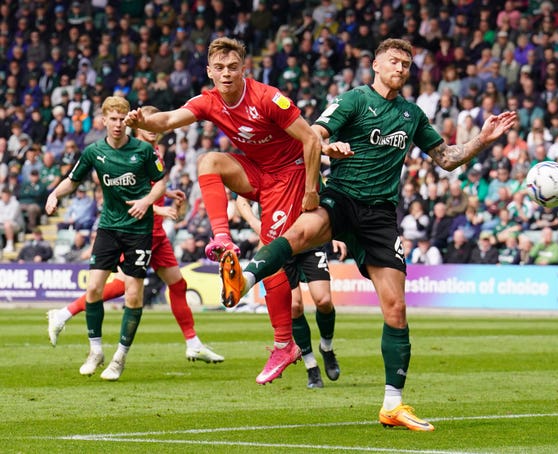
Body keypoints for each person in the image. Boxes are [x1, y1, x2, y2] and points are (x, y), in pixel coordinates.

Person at [219, 39, 516, 431]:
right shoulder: (354, 100)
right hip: (343, 196)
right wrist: (330, 147)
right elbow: (312, 135)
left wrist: (482, 140)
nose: (401, 67)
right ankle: (244, 280)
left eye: (407, 64)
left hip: (380, 217)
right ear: (375, 64)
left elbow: (447, 159)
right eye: (394, 60)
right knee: (300, 232)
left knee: (396, 309)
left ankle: (393, 406)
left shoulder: (412, 115)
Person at [124, 37, 322, 385]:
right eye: (219, 68)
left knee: (270, 253)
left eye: (233, 67)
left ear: (244, 68)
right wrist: (142, 121)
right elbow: (168, 119)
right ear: (209, 72)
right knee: (208, 161)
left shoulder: (268, 98)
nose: (226, 73)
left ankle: (284, 344)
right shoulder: (209, 101)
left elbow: (311, 140)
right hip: (258, 171)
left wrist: (311, 191)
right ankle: (222, 238)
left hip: (289, 176)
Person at [47, 106, 224, 365]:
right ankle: (64, 314)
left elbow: (152, 186)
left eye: (155, 122)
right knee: (123, 287)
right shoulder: (132, 151)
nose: (152, 127)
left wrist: (169, 193)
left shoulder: (152, 152)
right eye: (146, 123)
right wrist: (161, 207)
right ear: (137, 125)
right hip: (134, 229)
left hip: (156, 233)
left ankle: (192, 343)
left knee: (177, 284)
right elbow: (129, 197)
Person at [45, 96, 167, 381]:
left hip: (138, 230)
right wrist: (53, 194)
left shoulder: (144, 151)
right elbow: (73, 180)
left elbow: (161, 182)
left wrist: (147, 201)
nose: (117, 124)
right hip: (109, 228)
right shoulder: (93, 152)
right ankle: (95, 351)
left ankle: (119, 358)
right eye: (112, 119)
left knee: (134, 295)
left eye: (121, 119)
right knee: (94, 290)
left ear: (128, 121)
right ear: (103, 121)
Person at [236, 195, 346, 389]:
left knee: (324, 301)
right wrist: (256, 223)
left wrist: (335, 233)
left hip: (310, 240)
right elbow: (241, 200)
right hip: (279, 246)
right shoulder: (262, 169)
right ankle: (311, 367)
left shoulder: (305, 167)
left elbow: (325, 200)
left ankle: (326, 348)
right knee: (294, 306)